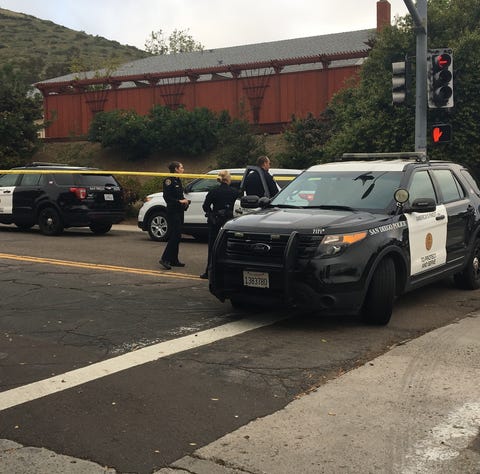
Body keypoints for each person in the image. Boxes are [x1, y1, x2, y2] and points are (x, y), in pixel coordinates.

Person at [200, 170, 239, 279]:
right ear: (228, 179)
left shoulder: (213, 191)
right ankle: (228, 271)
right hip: (229, 222)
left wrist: (212, 213)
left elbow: (205, 206)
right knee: (228, 246)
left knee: (212, 247)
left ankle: (209, 271)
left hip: (215, 222)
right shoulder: (234, 192)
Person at [159, 161, 190, 270]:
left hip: (179, 211)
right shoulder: (169, 181)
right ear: (176, 169)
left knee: (177, 235)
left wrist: (185, 201)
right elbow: (167, 197)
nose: (183, 169)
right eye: (181, 167)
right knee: (175, 235)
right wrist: (179, 201)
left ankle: (174, 259)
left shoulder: (178, 180)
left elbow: (179, 195)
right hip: (173, 211)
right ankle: (165, 258)